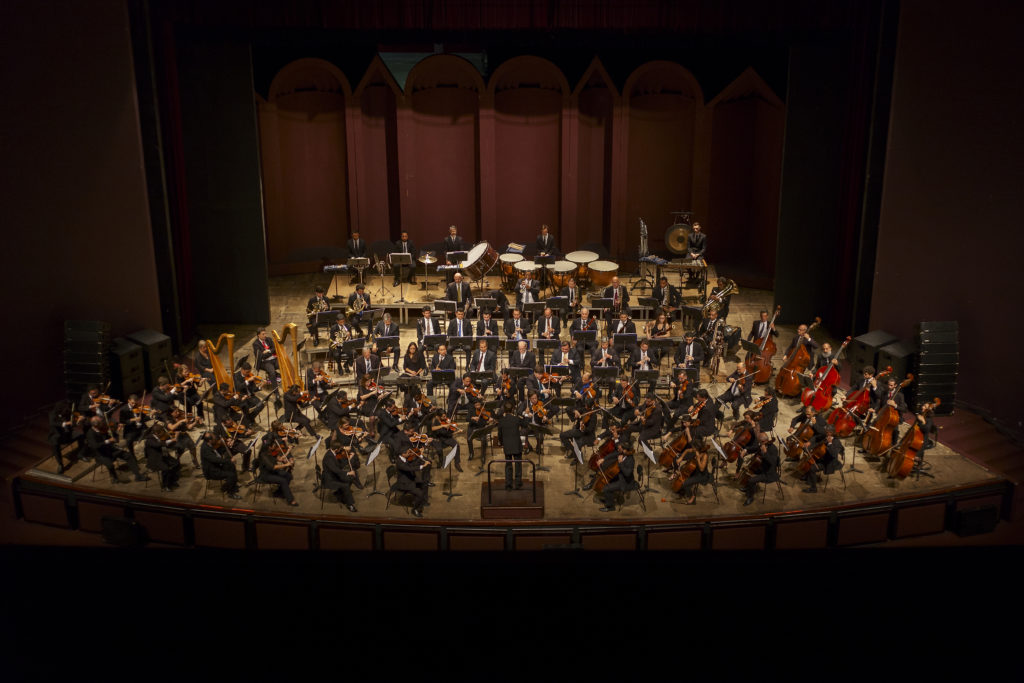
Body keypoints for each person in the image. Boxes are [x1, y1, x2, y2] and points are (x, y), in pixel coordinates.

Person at [256, 433, 298, 505]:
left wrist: (287, 453)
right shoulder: (263, 456)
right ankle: (290, 500)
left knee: (289, 476)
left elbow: (280, 458)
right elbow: (273, 467)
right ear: (269, 447)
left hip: (273, 471)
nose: (275, 447)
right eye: (273, 446)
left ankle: (279, 492)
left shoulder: (270, 452)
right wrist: (286, 464)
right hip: (266, 474)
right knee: (283, 480)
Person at [595, 443, 636, 513]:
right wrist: (603, 459)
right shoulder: (623, 453)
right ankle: (609, 498)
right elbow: (613, 454)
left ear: (625, 450)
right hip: (620, 475)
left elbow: (627, 474)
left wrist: (620, 463)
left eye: (620, 449)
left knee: (606, 488)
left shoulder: (631, 460)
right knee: (607, 481)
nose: (618, 450)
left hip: (625, 481)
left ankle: (610, 507)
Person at [741, 433, 780, 506]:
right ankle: (748, 488)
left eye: (759, 442)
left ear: (764, 441)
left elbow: (772, 462)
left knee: (751, 480)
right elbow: (755, 448)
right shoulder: (763, 445)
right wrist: (745, 450)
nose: (759, 443)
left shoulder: (773, 449)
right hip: (762, 467)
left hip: (769, 473)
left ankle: (750, 497)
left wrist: (765, 453)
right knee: (749, 469)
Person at [801, 428, 844, 493]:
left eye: (828, 432)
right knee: (810, 462)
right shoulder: (826, 438)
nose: (827, 434)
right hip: (823, 459)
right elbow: (818, 444)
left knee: (812, 468)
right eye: (826, 432)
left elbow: (834, 454)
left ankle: (813, 488)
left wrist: (830, 443)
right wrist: (809, 448)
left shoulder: (837, 442)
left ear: (832, 433)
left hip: (830, 463)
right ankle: (809, 479)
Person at [200, 432, 241, 499]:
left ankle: (231, 485)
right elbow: (215, 460)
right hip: (211, 471)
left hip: (215, 465)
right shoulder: (205, 449)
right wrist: (229, 460)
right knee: (231, 475)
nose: (216, 439)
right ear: (210, 440)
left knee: (231, 466)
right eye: (214, 438)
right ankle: (230, 493)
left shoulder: (208, 444)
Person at [496, 402, 526, 490]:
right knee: (518, 465)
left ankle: (508, 485)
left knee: (508, 465)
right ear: (513, 409)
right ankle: (518, 484)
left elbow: (499, 435)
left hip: (507, 446)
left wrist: (501, 443)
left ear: (504, 410)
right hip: (516, 445)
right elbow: (525, 424)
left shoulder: (501, 421)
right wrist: (525, 415)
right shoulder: (516, 419)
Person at [672, 439, 712, 504]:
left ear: (697, 447)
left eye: (693, 447)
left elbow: (701, 469)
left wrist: (698, 458)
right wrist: (681, 458)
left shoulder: (705, 455)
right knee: (683, 478)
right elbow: (686, 450)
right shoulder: (696, 450)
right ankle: (683, 490)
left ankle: (692, 498)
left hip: (702, 475)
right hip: (695, 470)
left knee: (684, 482)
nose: (692, 448)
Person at [144, 424, 182, 492]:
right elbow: (158, 445)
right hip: (155, 459)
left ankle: (172, 480)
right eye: (162, 432)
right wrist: (171, 440)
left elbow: (167, 445)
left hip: (163, 456)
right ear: (156, 433)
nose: (164, 433)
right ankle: (165, 486)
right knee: (166, 469)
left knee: (176, 464)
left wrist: (175, 439)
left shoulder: (160, 437)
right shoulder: (149, 439)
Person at [395, 447, 430, 517]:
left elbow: (412, 463)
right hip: (404, 483)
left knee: (424, 484)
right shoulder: (399, 463)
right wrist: (422, 466)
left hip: (410, 478)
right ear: (403, 454)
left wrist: (420, 455)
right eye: (408, 453)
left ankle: (421, 502)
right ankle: (415, 509)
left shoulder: (404, 458)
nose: (410, 453)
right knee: (420, 494)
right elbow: (409, 468)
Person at [322, 446, 359, 512]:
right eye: (340, 449)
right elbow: (336, 470)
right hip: (330, 479)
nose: (341, 450)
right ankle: (350, 505)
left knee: (350, 478)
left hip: (333, 475)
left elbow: (339, 464)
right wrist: (348, 473)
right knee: (346, 485)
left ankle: (341, 493)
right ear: (336, 449)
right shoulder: (328, 457)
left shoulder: (332, 453)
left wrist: (349, 457)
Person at [48, 400, 78, 473]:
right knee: (55, 444)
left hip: (68, 434)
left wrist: (77, 418)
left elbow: (73, 415)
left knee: (82, 434)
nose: (66, 409)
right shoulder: (52, 414)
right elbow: (53, 423)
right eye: (64, 408)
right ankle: (60, 464)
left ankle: (81, 454)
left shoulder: (66, 411)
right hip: (57, 435)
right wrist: (64, 423)